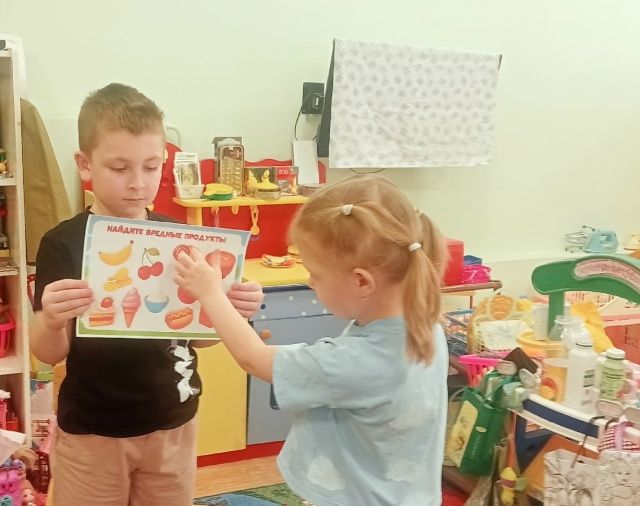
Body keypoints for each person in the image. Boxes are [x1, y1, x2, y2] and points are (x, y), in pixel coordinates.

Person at [30, 83, 263, 506]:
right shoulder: (62, 243)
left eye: (151, 167)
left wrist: (229, 309)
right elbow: (48, 352)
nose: (138, 183)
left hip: (172, 422)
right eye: (119, 168)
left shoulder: (182, 239)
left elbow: (200, 339)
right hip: (94, 431)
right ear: (85, 164)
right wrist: (49, 319)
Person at [174, 174, 450, 505]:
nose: (310, 283)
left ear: (362, 282)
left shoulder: (359, 361)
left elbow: (254, 358)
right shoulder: (426, 325)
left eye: (316, 274)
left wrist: (209, 293)